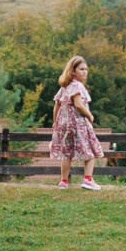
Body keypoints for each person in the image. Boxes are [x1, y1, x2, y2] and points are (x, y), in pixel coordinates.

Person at [45, 55, 105, 189]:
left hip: (65, 125)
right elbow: (78, 104)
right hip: (79, 124)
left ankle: (63, 182)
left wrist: (56, 123)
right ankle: (88, 180)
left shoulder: (64, 87)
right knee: (90, 149)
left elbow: (57, 105)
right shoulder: (77, 85)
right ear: (73, 71)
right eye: (81, 69)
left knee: (67, 153)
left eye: (86, 69)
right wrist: (90, 115)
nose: (85, 72)